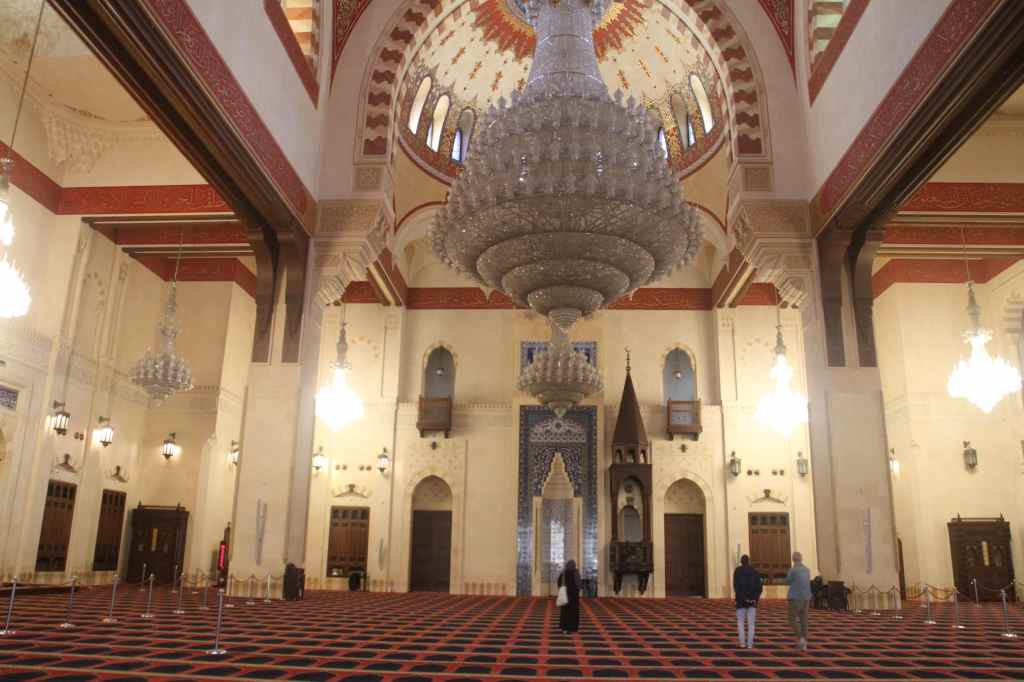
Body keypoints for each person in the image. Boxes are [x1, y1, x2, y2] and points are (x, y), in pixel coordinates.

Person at [733, 555, 763, 649]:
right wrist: (754, 598)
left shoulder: (737, 571)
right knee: (751, 624)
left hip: (740, 601)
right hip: (752, 602)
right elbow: (759, 588)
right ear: (749, 561)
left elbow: (736, 587)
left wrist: (743, 598)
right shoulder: (755, 572)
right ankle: (750, 644)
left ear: (741, 562)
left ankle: (742, 643)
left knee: (740, 623)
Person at [785, 551, 812, 650]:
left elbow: (787, 581)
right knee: (804, 620)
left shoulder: (793, 570)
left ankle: (801, 638)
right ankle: (805, 643)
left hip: (795, 598)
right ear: (801, 559)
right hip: (806, 598)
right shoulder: (807, 570)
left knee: (791, 619)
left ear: (793, 559)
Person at [557, 559, 581, 634]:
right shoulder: (576, 572)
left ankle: (564, 628)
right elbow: (579, 584)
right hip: (574, 596)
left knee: (565, 612)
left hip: (565, 595)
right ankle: (573, 628)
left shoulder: (564, 573)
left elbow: (559, 583)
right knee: (573, 612)